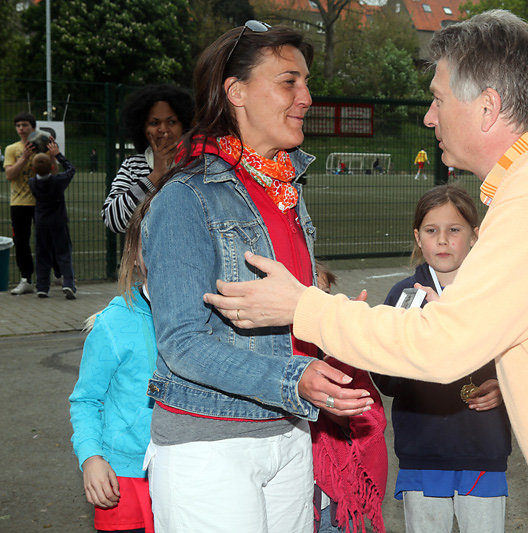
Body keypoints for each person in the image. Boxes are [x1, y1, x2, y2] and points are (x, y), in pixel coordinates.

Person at [204, 10, 528, 532]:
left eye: (438, 99)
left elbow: (442, 347)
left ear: (487, 108)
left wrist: (304, 307)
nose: (428, 117)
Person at [140, 21, 373, 532]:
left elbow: (285, 319)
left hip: (288, 431)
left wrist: (333, 325)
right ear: (237, 91)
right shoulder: (186, 198)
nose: (306, 97)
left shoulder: (284, 190)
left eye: (306, 82)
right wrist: (294, 379)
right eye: (289, 82)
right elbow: (181, 344)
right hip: (210, 444)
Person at [372, 184, 511, 533]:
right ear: (418, 238)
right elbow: (386, 381)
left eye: (454, 230)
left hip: (482, 448)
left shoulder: (496, 295)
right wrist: (414, 342)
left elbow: (523, 359)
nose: (443, 240)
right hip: (423, 450)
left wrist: (505, 386)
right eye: (432, 231)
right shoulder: (403, 297)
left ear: (475, 236)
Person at [69, 205, 156, 533]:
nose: (164, 253)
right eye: (151, 243)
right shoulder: (113, 323)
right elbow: (86, 400)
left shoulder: (206, 315)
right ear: (134, 254)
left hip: (186, 470)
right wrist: (92, 457)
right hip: (125, 477)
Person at [313, 262, 387, 533]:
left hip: (333, 501)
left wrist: (322, 399)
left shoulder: (343, 355)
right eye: (309, 293)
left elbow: (368, 420)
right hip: (290, 493)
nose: (317, 302)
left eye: (324, 294)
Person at [101, 84, 193, 233]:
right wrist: (155, 176)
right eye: (154, 123)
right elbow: (113, 221)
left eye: (171, 122)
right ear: (142, 129)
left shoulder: (198, 164)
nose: (163, 130)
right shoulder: (133, 166)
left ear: (184, 126)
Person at [27, 141, 77, 299]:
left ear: (33, 169)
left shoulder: (32, 183)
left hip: (41, 222)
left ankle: (42, 286)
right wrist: (58, 155)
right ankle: (68, 283)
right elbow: (71, 169)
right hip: (58, 222)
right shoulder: (58, 181)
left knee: (42, 254)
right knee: (63, 253)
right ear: (53, 167)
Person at [4, 111, 38, 295]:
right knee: (21, 241)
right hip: (19, 202)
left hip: (40, 202)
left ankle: (53, 276)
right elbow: (10, 174)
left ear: (33, 127)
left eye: (25, 125)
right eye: (18, 125)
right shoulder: (12, 149)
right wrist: (24, 157)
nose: (21, 129)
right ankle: (26, 279)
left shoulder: (41, 146)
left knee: (46, 240)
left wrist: (50, 156)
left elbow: (53, 172)